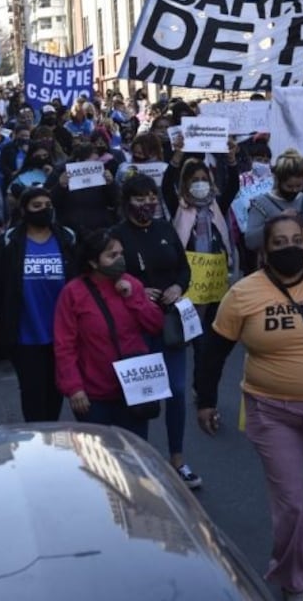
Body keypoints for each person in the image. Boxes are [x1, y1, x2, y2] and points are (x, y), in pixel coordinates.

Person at [195, 215, 303, 601]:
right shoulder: (243, 294)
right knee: (292, 502)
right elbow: (213, 352)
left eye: (296, 240)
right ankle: (293, 579)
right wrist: (205, 400)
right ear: (264, 250)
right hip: (272, 412)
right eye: (280, 242)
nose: (290, 248)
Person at [111, 174, 200, 488]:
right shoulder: (116, 235)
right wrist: (135, 290)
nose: (147, 203)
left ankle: (178, 459)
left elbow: (184, 267)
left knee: (176, 391)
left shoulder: (164, 229)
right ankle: (142, 464)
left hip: (170, 324)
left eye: (151, 196)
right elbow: (110, 276)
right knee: (144, 398)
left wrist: (178, 286)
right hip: (136, 328)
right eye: (139, 198)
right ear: (126, 202)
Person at [53, 229, 165, 438]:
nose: (120, 260)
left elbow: (156, 325)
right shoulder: (73, 293)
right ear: (94, 263)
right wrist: (74, 387)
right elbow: (64, 345)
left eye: (121, 254)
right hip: (95, 395)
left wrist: (134, 299)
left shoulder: (132, 284)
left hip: (134, 389)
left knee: (134, 454)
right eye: (112, 256)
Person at [0, 188, 79, 422]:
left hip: (62, 334)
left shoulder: (67, 238)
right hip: (25, 334)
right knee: (33, 393)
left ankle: (52, 435)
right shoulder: (10, 241)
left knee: (55, 391)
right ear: (24, 210)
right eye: (37, 206)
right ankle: (38, 443)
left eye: (48, 204)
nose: (44, 210)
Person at [163, 156, 238, 401]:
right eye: (194, 180)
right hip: (188, 285)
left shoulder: (217, 206)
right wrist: (176, 157)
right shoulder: (180, 207)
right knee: (192, 338)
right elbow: (165, 187)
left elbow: (234, 186)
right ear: (185, 184)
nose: (200, 184)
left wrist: (232, 160)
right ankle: (186, 386)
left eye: (204, 179)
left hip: (214, 285)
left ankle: (201, 388)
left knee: (207, 340)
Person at [245, 149, 303, 252]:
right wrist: (276, 220)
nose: (294, 190)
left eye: (299, 186)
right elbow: (250, 241)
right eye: (289, 186)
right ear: (278, 181)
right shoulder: (261, 203)